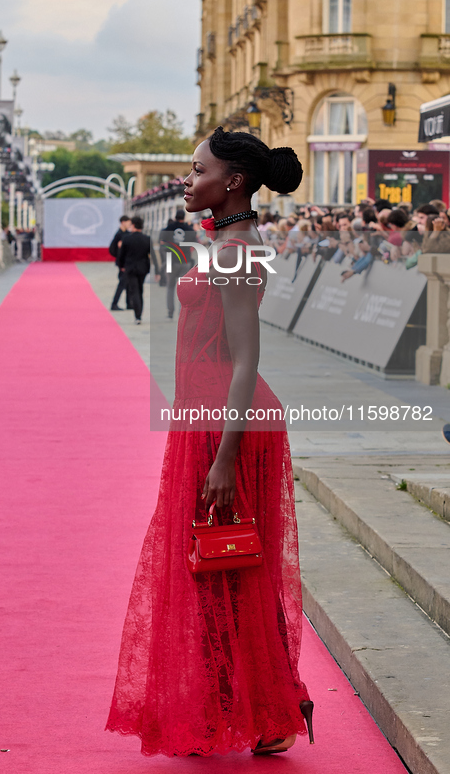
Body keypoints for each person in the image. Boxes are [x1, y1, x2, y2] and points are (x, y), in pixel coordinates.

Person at [107, 127, 313, 757]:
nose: (186, 182)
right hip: (208, 416)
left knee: (230, 570)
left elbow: (247, 358)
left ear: (233, 183)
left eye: (197, 172)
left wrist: (224, 455)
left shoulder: (238, 249)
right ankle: (235, 707)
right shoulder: (227, 240)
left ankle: (263, 711)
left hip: (230, 423)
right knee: (214, 570)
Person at [117, 216, 154, 325]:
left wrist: (121, 266)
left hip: (130, 268)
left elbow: (121, 255)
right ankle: (139, 314)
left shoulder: (127, 239)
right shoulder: (147, 239)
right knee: (140, 290)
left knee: (134, 291)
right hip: (143, 268)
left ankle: (137, 316)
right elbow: (152, 255)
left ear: (133, 225)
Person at [159, 208, 195, 319]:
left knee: (170, 287)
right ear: (184, 217)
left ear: (175, 217)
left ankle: (170, 312)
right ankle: (182, 312)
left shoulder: (168, 228)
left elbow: (162, 243)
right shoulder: (190, 230)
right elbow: (193, 246)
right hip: (185, 261)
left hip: (171, 261)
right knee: (183, 288)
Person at [109, 215, 131, 311]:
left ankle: (129, 303)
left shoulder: (127, 233)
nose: (129, 224)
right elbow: (112, 249)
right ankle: (114, 304)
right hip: (123, 263)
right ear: (123, 222)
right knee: (122, 283)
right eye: (128, 222)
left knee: (127, 283)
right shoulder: (119, 234)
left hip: (126, 262)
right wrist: (119, 256)